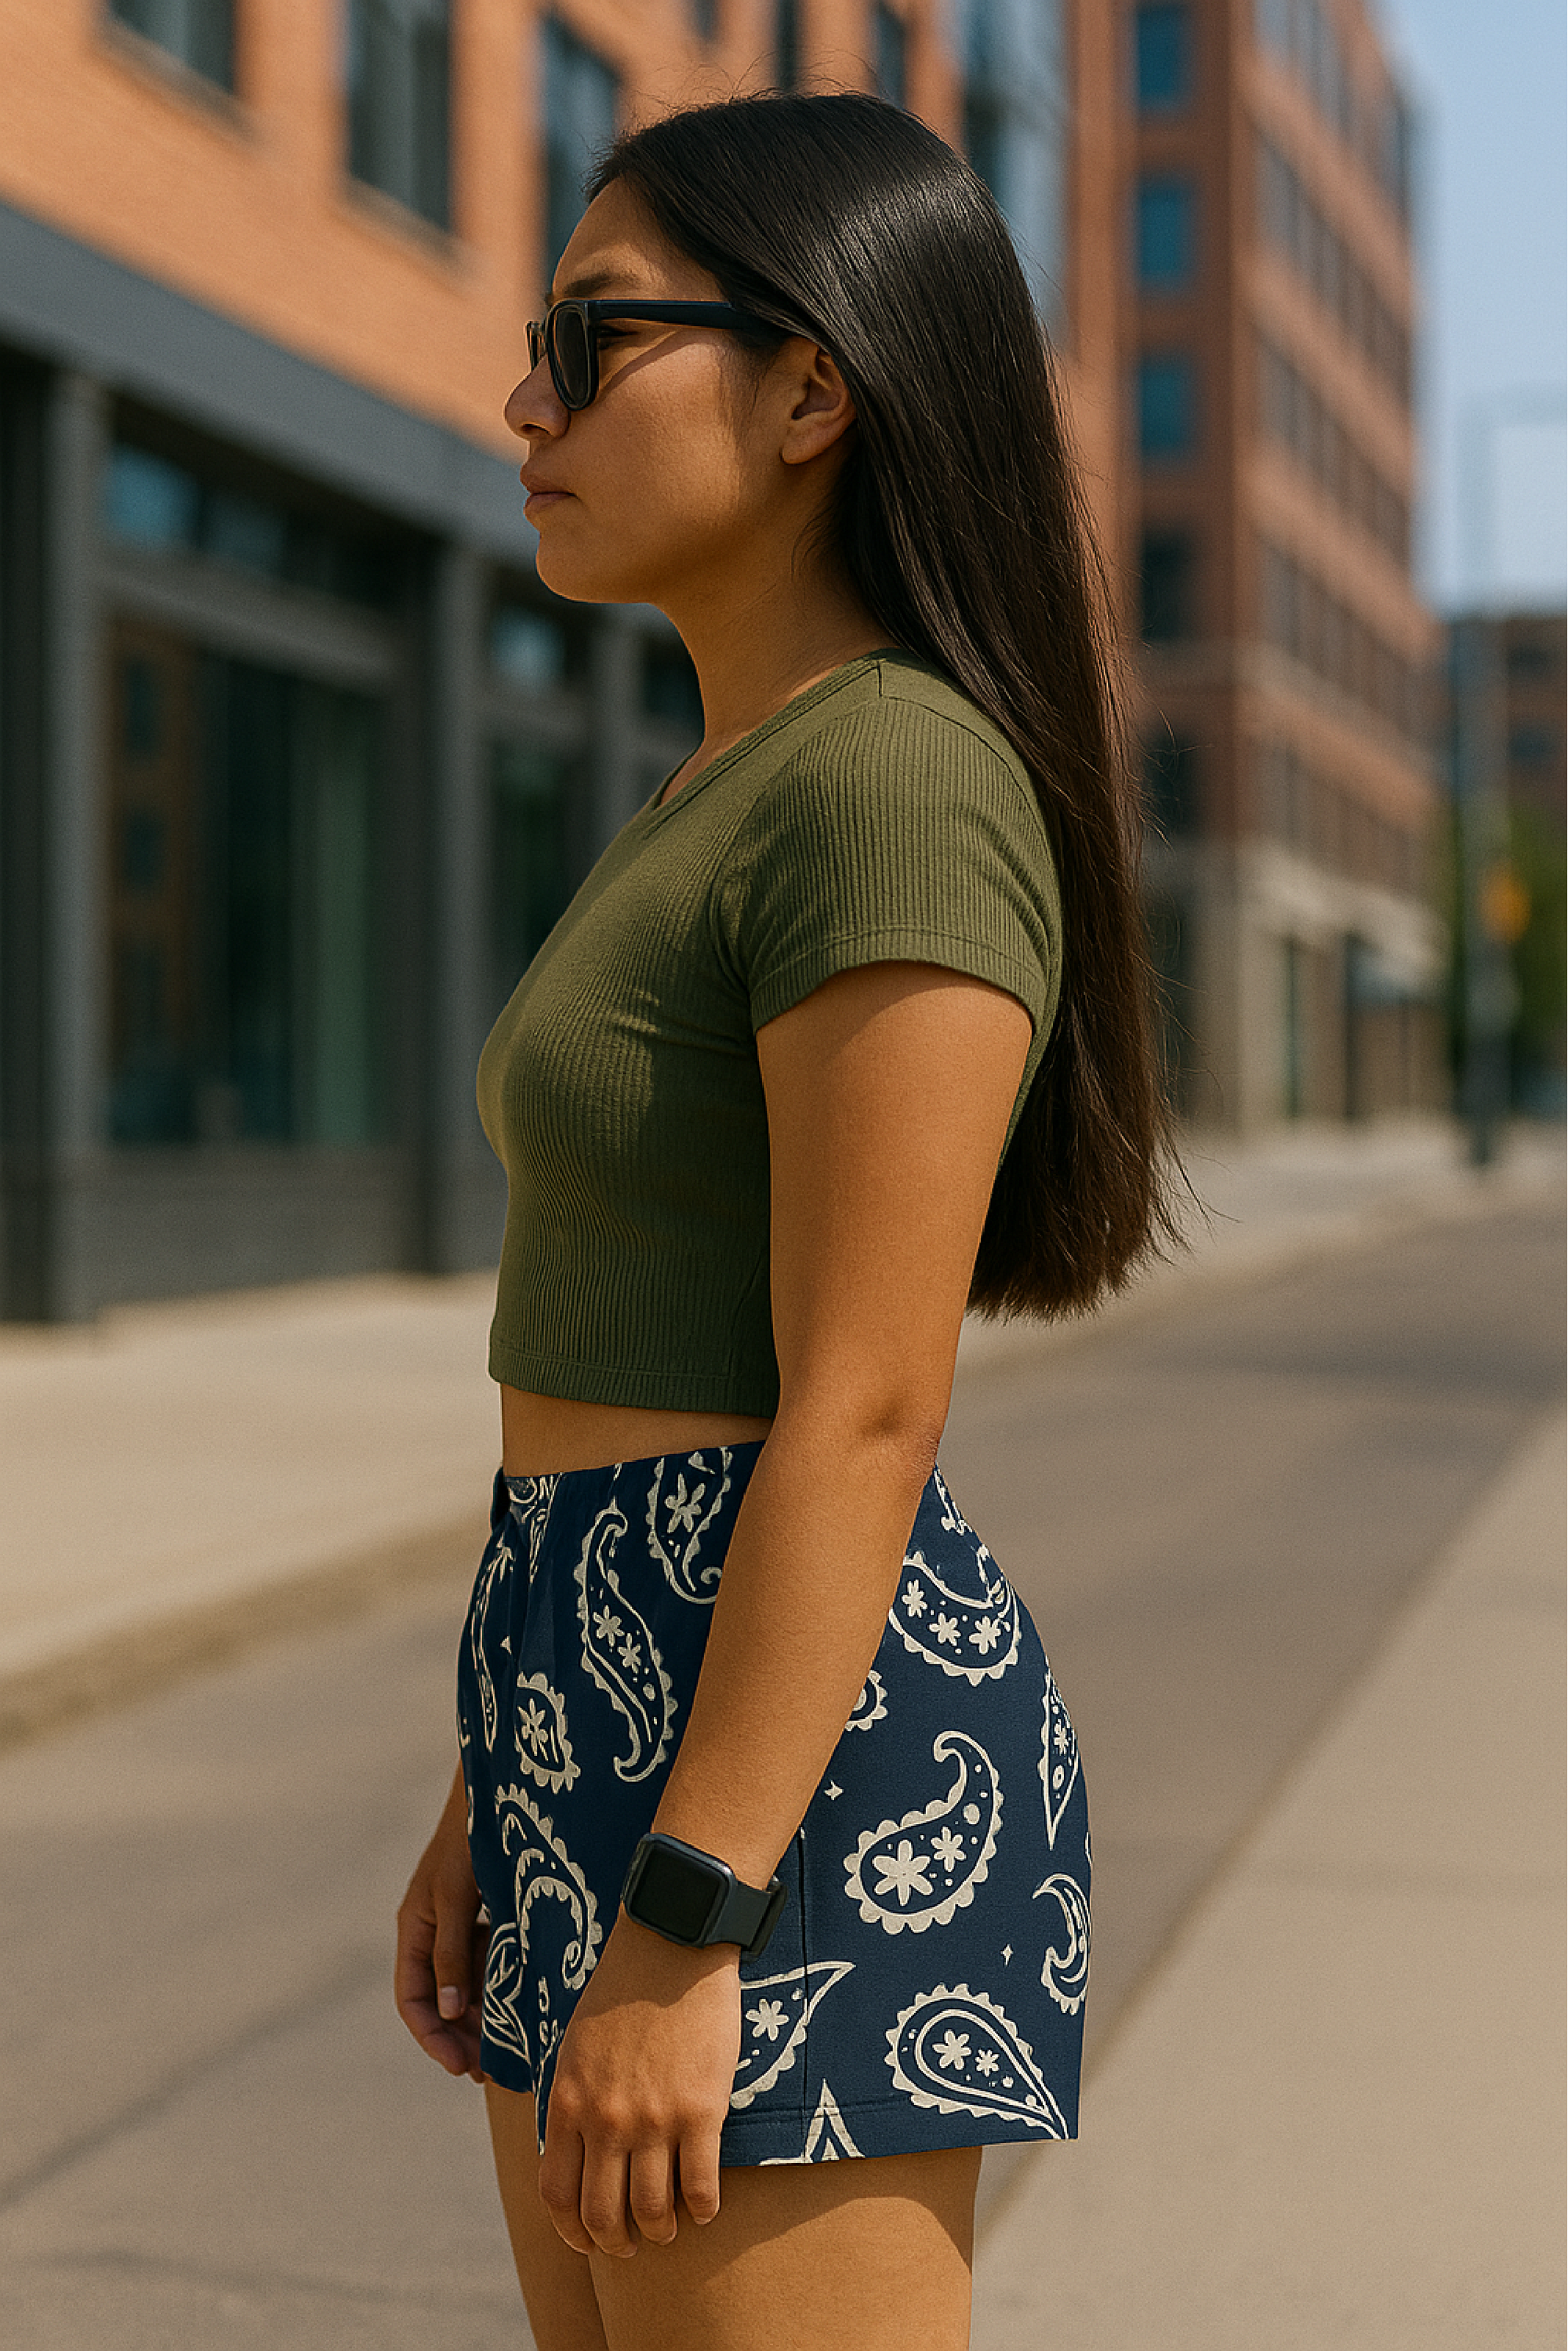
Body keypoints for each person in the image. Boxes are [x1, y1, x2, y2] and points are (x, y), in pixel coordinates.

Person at [394, 90, 1171, 2351]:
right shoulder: (716, 782)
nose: (526, 397)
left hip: (784, 1781)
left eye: (593, 339)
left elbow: (857, 1403)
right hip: (599, 1695)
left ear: (813, 383)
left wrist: (685, 1909)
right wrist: (504, 1764)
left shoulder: (897, 776)